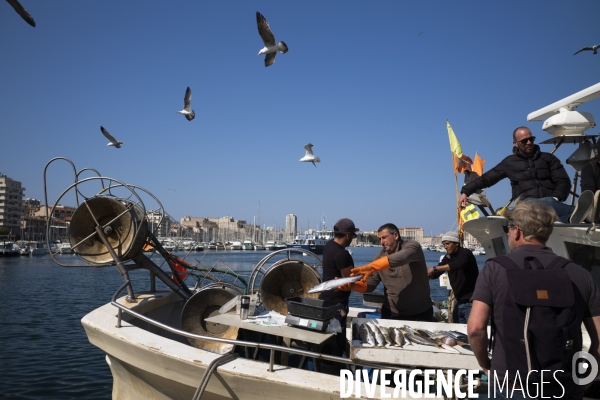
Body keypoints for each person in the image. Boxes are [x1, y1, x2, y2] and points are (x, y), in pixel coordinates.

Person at [467, 200, 600, 399]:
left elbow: (475, 329)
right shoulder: (579, 274)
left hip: (512, 384)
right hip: (564, 385)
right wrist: (587, 375)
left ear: (517, 231)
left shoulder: (495, 269)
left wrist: (486, 363)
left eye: (507, 228)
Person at [458, 126, 573, 223]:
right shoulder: (509, 162)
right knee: (547, 203)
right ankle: (574, 214)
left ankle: (573, 217)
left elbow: (563, 181)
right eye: (524, 141)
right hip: (525, 204)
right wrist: (465, 192)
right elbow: (486, 179)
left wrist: (556, 197)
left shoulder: (548, 158)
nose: (529, 143)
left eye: (531, 139)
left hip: (551, 202)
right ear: (515, 143)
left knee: (548, 202)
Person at [340, 223, 433, 321]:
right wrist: (353, 286)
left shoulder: (413, 247)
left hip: (421, 312)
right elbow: (371, 284)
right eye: (380, 239)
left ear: (396, 235)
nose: (381, 242)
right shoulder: (378, 258)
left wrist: (371, 267)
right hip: (392, 312)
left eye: (384, 237)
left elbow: (402, 257)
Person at [318, 217, 358, 357]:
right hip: (337, 305)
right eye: (352, 236)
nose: (352, 239)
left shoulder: (329, 246)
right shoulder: (343, 254)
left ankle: (324, 364)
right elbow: (349, 281)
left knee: (326, 340)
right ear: (348, 235)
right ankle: (335, 368)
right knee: (336, 341)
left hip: (324, 300)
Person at [427, 231, 478, 324]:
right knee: (457, 329)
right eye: (444, 244)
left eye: (448, 244)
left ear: (456, 243)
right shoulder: (448, 257)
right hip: (459, 301)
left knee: (472, 331)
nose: (445, 246)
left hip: (471, 303)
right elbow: (438, 272)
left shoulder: (466, 253)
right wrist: (427, 275)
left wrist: (434, 268)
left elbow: (457, 264)